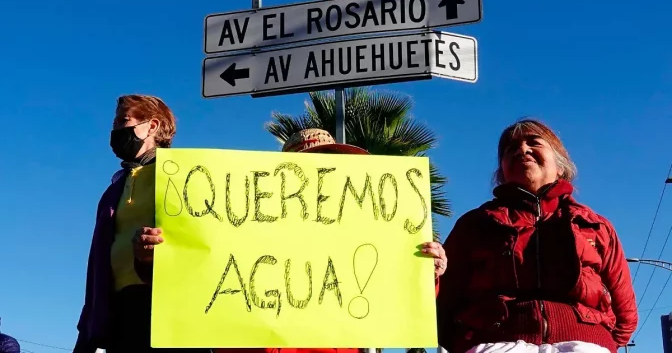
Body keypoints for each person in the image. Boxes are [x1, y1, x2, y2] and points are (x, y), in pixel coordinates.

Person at [133, 128, 445, 353]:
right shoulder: (239, 220)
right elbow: (190, 281)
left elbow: (396, 294)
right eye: (317, 161)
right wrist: (153, 257)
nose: (328, 170)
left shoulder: (365, 230)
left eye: (333, 161)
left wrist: (427, 271)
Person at [435, 119, 637, 353]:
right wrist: (435, 274)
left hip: (584, 344)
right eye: (511, 149)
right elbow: (443, 305)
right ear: (502, 171)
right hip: (496, 344)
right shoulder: (474, 225)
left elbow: (625, 313)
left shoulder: (596, 226)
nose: (522, 149)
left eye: (534, 142)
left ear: (560, 166)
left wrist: (600, 341)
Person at [74, 94, 211, 353]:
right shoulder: (114, 189)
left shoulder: (185, 176)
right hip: (120, 312)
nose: (115, 130)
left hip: (169, 308)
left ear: (152, 126)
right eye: (114, 123)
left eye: (123, 121)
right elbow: (98, 265)